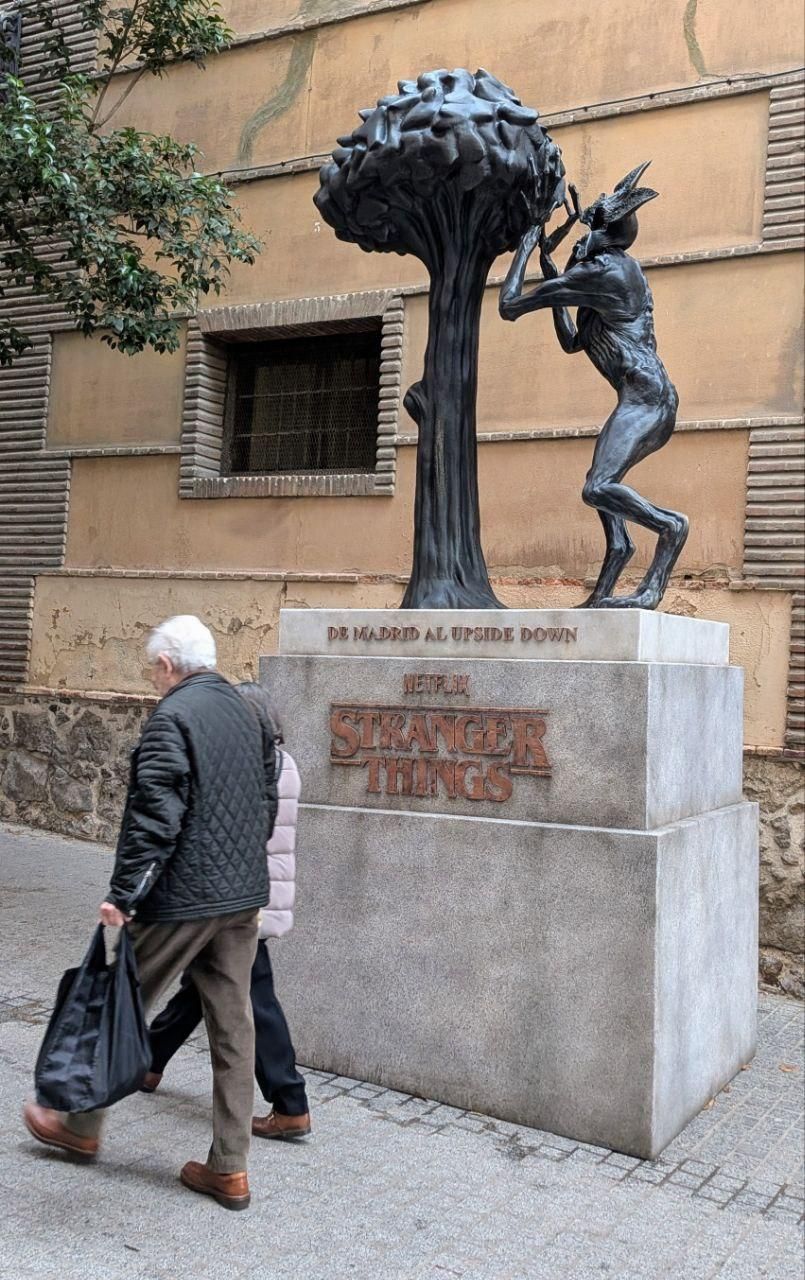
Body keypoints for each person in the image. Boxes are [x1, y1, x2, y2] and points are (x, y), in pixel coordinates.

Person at [23, 617, 276, 1211]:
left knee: (124, 1001)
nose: (152, 677)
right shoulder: (248, 711)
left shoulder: (172, 718)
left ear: (167, 665)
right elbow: (266, 797)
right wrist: (243, 869)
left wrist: (124, 895)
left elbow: (153, 821)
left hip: (183, 898)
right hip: (240, 897)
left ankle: (80, 1128)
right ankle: (230, 1169)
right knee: (234, 1025)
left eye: (151, 667)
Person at [141, 684, 310, 1140]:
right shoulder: (282, 762)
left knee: (255, 998)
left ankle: (290, 1101)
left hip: (239, 900)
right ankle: (149, 1061)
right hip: (252, 897)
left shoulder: (254, 765)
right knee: (202, 984)